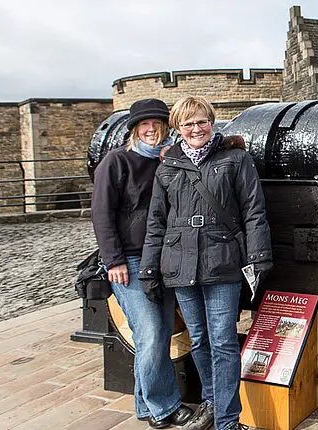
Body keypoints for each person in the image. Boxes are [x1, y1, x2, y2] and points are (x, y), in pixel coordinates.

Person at [140, 95, 273, 430]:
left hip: (221, 259)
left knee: (223, 341)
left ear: (211, 122)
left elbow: (253, 211)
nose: (196, 128)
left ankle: (227, 421)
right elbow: (156, 222)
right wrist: (148, 268)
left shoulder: (235, 158)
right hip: (180, 262)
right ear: (178, 129)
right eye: (188, 123)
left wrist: (258, 258)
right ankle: (213, 404)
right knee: (199, 340)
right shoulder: (168, 166)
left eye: (201, 121)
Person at [91, 98, 193, 429]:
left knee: (159, 334)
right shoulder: (117, 161)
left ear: (166, 128)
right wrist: (113, 260)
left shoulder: (167, 161)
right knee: (150, 333)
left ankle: (145, 404)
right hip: (130, 261)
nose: (151, 129)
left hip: (162, 259)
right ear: (135, 129)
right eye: (144, 125)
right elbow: (101, 214)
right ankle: (165, 408)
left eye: (157, 124)